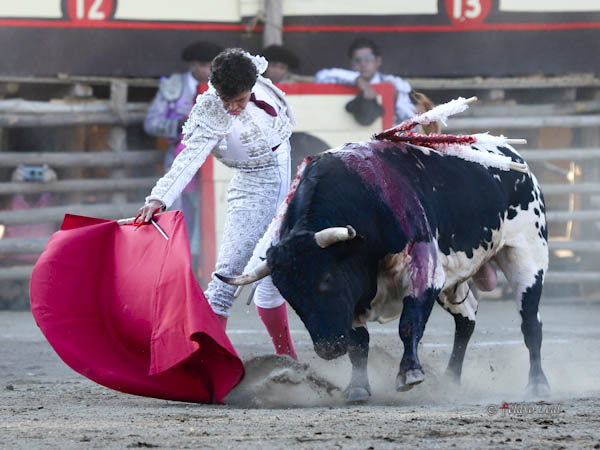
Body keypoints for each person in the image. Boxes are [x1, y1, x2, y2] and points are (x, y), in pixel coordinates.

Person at [129, 48, 297, 359]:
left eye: (239, 100)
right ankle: (206, 364)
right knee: (226, 277)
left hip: (286, 180)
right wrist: (158, 197)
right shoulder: (210, 111)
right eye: (226, 100)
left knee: (273, 278)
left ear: (252, 86)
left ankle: (288, 360)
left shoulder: (256, 78)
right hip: (252, 187)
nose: (232, 108)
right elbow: (188, 158)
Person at [144, 41, 223, 269]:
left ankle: (205, 269)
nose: (208, 70)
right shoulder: (173, 87)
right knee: (181, 218)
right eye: (204, 65)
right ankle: (180, 268)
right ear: (193, 65)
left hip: (216, 163)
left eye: (212, 65)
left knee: (211, 218)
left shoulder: (222, 85)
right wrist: (179, 125)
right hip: (179, 160)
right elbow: (151, 123)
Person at [315, 37, 415, 125]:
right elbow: (321, 76)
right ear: (351, 64)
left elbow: (412, 121)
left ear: (378, 61)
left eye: (368, 59)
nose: (363, 64)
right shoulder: (345, 81)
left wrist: (396, 100)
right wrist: (357, 79)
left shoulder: (393, 84)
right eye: (357, 60)